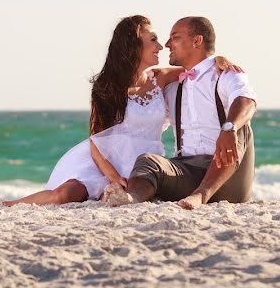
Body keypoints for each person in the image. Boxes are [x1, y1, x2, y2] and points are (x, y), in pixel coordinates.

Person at [2, 15, 241, 206]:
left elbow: (199, 65)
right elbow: (95, 140)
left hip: (143, 167)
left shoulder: (162, 78)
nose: (161, 46)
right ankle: (13, 204)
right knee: (65, 195)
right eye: (154, 40)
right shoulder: (106, 87)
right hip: (103, 162)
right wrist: (113, 176)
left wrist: (219, 58)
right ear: (134, 45)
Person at [104, 16, 257, 210]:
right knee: (148, 161)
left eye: (174, 37)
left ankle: (202, 195)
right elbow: (138, 99)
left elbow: (246, 101)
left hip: (228, 176)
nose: (167, 44)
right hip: (187, 173)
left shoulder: (225, 73)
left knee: (239, 126)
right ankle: (130, 198)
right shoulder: (172, 86)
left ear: (197, 41)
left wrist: (229, 128)